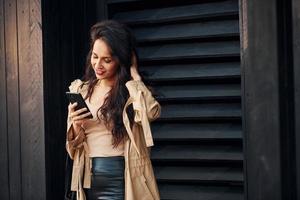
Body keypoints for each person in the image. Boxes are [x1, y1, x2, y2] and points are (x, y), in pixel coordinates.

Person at [65, 20, 161, 200]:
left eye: (107, 60)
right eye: (94, 56)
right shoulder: (82, 90)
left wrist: (135, 75)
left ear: (120, 60)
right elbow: (72, 150)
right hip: (87, 178)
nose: (98, 65)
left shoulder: (130, 91)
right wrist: (76, 126)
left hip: (121, 177)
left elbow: (151, 114)